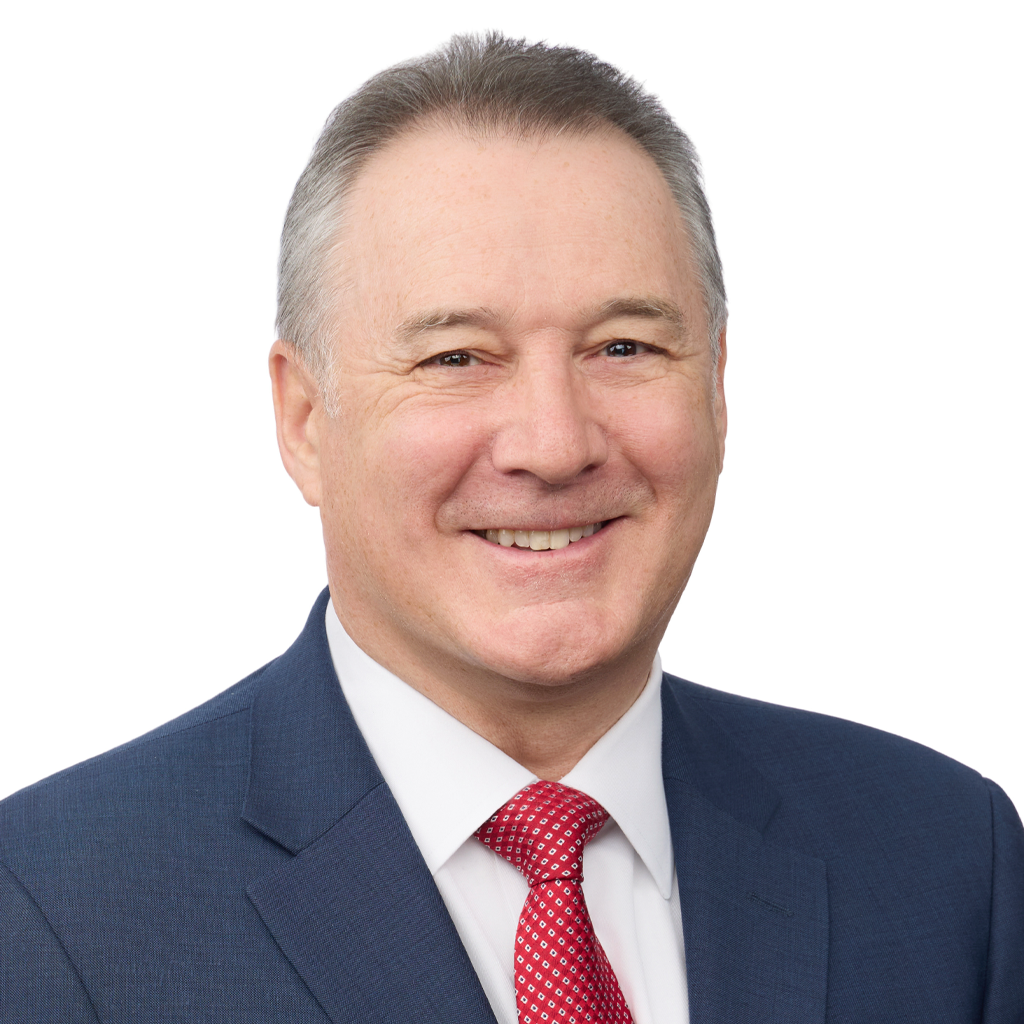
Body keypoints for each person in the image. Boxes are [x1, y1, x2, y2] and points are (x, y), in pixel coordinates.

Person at [1, 31, 1021, 1024]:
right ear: (304, 420)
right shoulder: (49, 907)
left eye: (623, 346)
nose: (554, 443)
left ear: (716, 387)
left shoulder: (946, 860)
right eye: (456, 358)